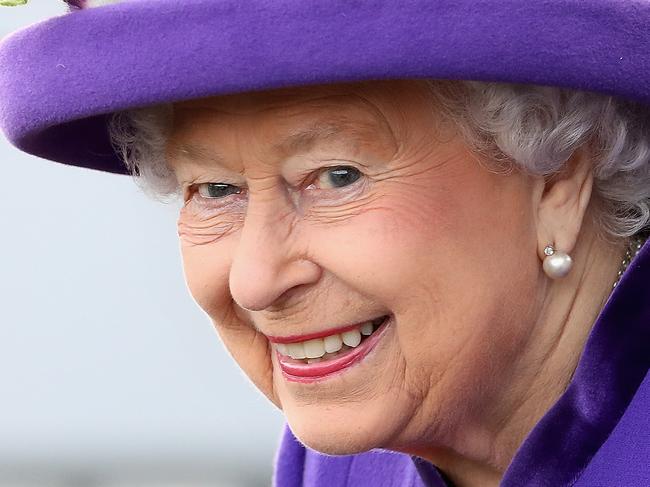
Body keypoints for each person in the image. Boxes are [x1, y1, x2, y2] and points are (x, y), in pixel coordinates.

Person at [1, 2, 648, 486]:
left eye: (336, 176)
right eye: (216, 189)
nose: (255, 280)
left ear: (558, 179)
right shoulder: (354, 457)